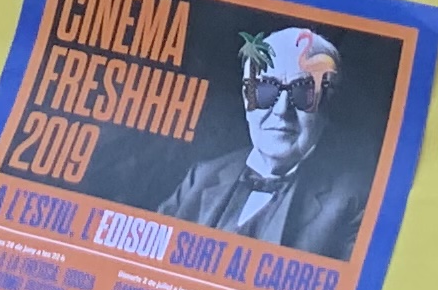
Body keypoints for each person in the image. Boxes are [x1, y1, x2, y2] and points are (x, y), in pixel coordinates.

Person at [152, 28, 366, 253]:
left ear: (328, 105)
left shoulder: (352, 202)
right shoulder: (202, 176)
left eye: (304, 93)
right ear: (247, 99)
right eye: (265, 89)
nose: (282, 110)